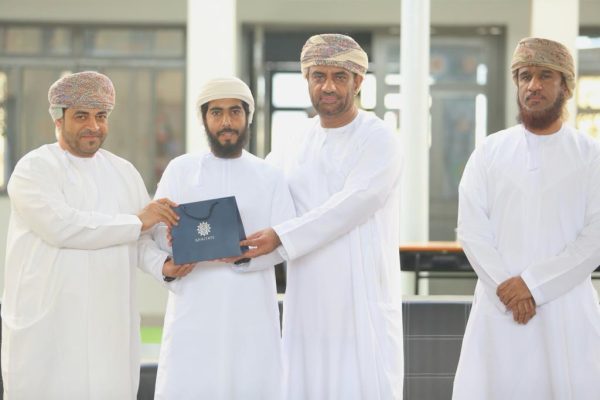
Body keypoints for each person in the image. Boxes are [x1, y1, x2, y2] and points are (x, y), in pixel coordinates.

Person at [1, 71, 192, 399]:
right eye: (81, 116)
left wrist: (163, 265)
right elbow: (62, 227)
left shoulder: (123, 172)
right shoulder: (33, 169)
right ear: (58, 118)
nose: (94, 125)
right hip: (50, 325)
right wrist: (137, 222)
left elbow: (140, 238)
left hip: (109, 323)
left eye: (101, 116)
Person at [242, 34, 404, 399]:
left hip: (360, 299)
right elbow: (259, 190)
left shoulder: (379, 138)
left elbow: (354, 203)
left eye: (339, 77)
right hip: (307, 297)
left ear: (358, 81)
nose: (327, 86)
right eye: (319, 76)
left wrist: (282, 236)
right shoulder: (294, 140)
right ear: (307, 80)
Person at [452, 37, 600, 399]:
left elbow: (595, 237)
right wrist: (508, 289)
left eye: (545, 75)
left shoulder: (591, 155)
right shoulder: (489, 151)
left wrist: (533, 285)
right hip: (499, 307)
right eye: (524, 76)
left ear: (566, 86)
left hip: (564, 310)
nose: (533, 85)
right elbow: (471, 230)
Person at [152, 77, 296, 400]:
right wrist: (170, 247)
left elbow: (285, 242)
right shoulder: (180, 170)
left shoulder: (270, 176)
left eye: (235, 111)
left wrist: (247, 256)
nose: (226, 121)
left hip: (251, 313)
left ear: (248, 117)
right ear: (204, 118)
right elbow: (157, 235)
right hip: (194, 311)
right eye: (216, 112)